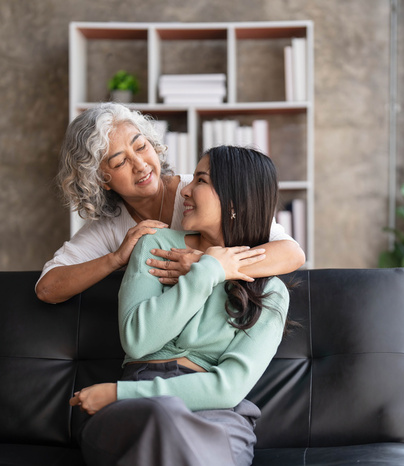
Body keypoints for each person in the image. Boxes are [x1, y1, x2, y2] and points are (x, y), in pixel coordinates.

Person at [69, 146, 291, 466]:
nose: (184, 189)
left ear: (234, 199)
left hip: (216, 415)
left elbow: (228, 388)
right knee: (162, 417)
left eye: (200, 180)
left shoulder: (271, 292)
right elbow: (138, 339)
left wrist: (117, 394)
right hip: (142, 403)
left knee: (179, 431)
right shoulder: (156, 245)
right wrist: (208, 272)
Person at [36, 102, 305, 304]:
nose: (140, 166)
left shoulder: (200, 190)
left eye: (141, 147)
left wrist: (207, 267)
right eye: (120, 162)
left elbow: (292, 253)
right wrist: (115, 258)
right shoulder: (110, 226)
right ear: (101, 180)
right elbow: (47, 288)